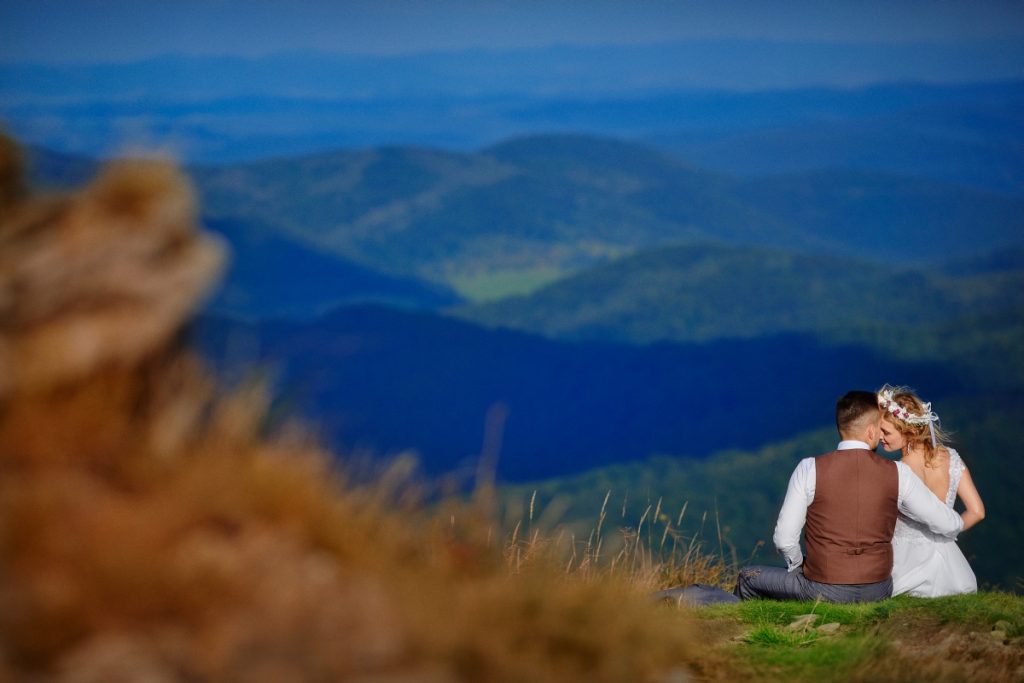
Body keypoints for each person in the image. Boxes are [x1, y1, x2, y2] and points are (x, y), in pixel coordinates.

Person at [734, 390, 964, 603]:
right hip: (879, 588)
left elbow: (784, 540)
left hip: (822, 587)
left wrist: (798, 566)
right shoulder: (898, 473)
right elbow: (947, 523)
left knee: (748, 577)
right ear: (871, 431)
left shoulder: (808, 468)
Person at [877, 384, 983, 597]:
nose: (880, 436)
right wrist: (948, 531)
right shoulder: (951, 457)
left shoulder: (900, 471)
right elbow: (978, 512)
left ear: (910, 430)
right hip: (950, 565)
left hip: (906, 565)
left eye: (885, 431)